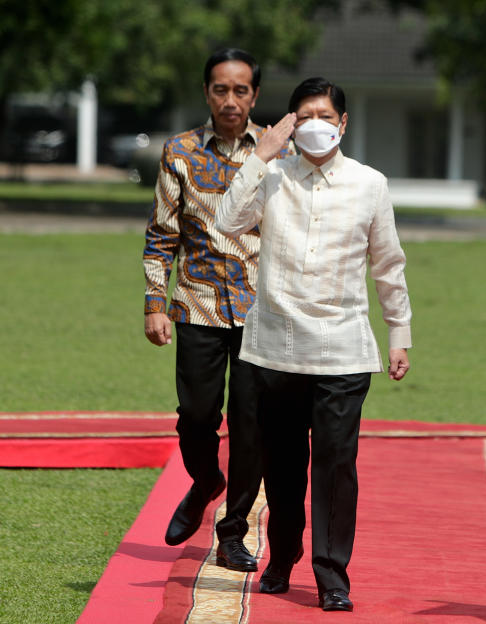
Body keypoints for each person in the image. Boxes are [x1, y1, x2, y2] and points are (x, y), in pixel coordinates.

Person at [216, 76, 412, 612]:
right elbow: (225, 224)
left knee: (334, 464)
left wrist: (400, 333)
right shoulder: (272, 176)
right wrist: (260, 155)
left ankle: (332, 574)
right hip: (275, 348)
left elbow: (388, 264)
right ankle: (282, 557)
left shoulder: (370, 183)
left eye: (326, 116)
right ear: (290, 123)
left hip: (344, 350)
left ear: (344, 124)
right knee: (280, 465)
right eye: (304, 116)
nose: (316, 125)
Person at [143, 48, 289, 572]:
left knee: (252, 427)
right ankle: (206, 481)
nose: (231, 100)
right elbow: (162, 235)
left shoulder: (279, 151)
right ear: (207, 93)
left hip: (260, 313)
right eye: (221, 90)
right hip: (197, 305)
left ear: (255, 94)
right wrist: (154, 304)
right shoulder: (179, 151)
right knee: (197, 417)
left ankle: (232, 534)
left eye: (242, 90)